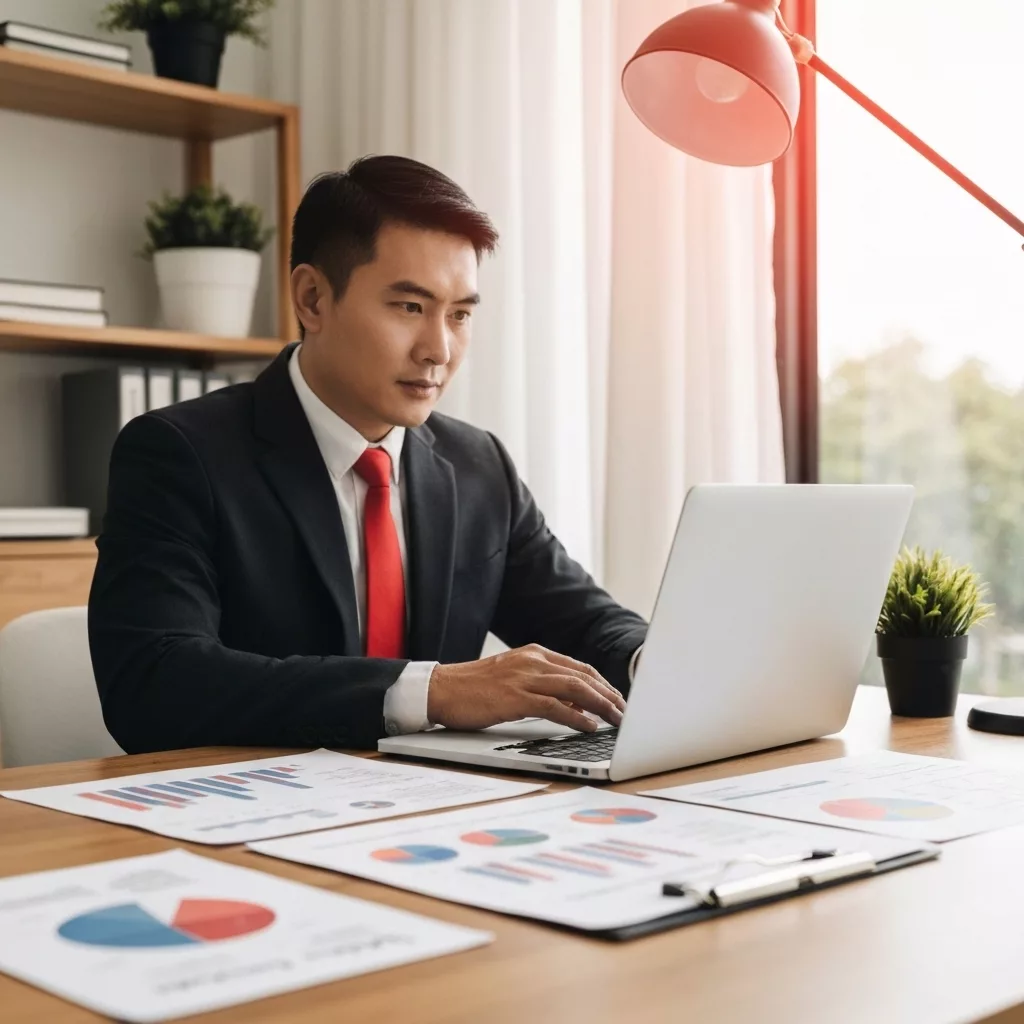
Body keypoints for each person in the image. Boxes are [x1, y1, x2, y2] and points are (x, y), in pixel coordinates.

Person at [89, 155, 648, 753]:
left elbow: (588, 626)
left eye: (459, 315)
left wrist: (656, 664)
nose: (438, 349)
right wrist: (433, 691)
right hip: (253, 813)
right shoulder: (180, 455)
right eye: (410, 307)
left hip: (429, 812)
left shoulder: (478, 465)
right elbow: (152, 684)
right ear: (312, 299)